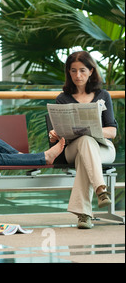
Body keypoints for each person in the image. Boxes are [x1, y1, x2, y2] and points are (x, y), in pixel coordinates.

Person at [48, 51, 117, 229]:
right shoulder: (62, 99)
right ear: (68, 72)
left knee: (86, 149)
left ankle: (84, 214)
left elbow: (112, 131)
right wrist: (55, 134)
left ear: (91, 71)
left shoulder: (103, 96)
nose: (78, 75)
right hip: (73, 148)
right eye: (73, 71)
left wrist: (94, 131)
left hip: (103, 149)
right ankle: (101, 189)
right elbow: (61, 132)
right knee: (85, 142)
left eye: (82, 70)